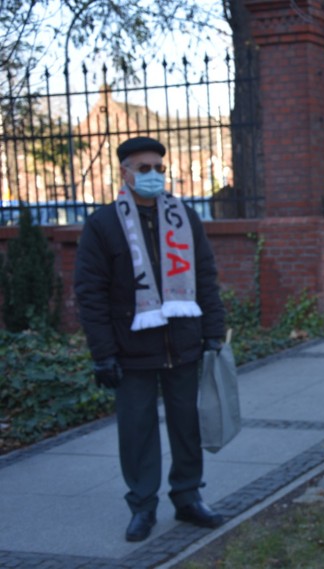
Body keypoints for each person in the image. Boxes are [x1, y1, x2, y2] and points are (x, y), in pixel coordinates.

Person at [74, 136, 227, 543]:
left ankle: (188, 497)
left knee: (186, 425)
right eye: (145, 169)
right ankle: (142, 506)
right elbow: (91, 293)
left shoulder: (184, 218)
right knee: (137, 431)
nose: (154, 175)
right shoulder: (103, 224)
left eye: (160, 168)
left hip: (183, 343)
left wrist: (213, 331)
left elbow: (205, 279)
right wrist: (103, 354)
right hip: (130, 349)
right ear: (124, 173)